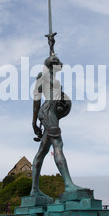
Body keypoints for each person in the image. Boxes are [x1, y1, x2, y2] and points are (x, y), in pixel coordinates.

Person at [30, 54, 82, 198]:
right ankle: (68, 185)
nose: (60, 64)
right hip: (47, 112)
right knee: (58, 144)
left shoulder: (55, 79)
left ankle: (34, 190)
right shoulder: (42, 76)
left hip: (53, 112)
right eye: (57, 62)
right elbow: (36, 99)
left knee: (42, 151)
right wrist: (34, 122)